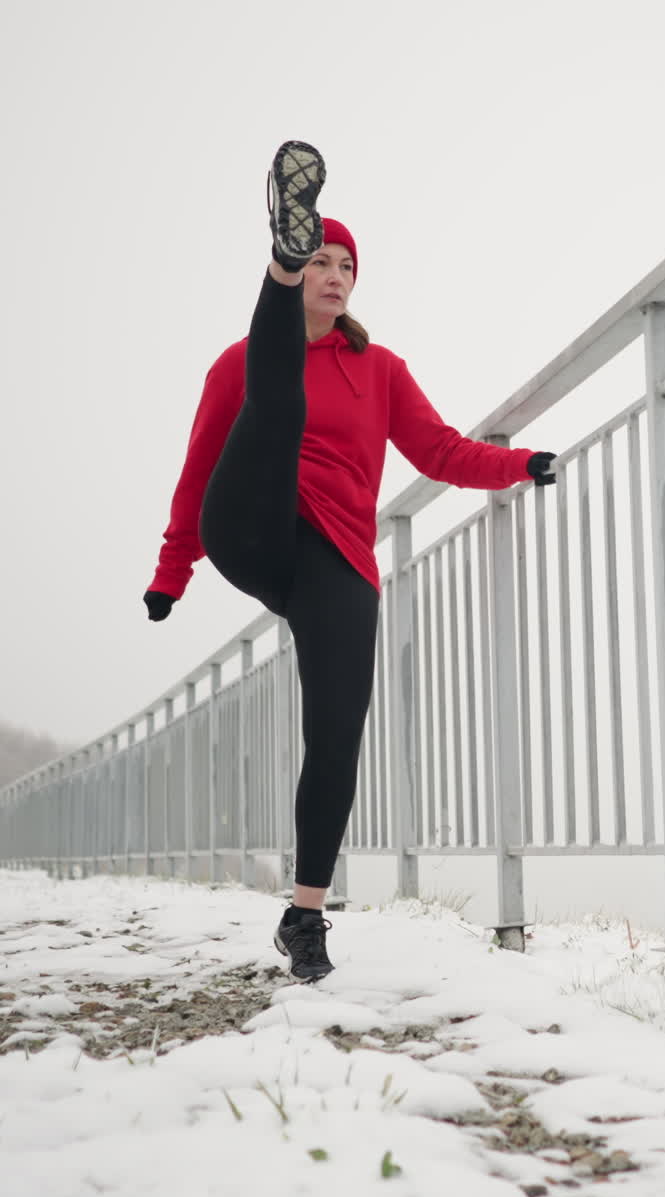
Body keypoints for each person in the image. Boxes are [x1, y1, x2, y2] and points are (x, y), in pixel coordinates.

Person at [144, 140, 556, 983]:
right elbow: (196, 472)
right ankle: (272, 265)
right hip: (251, 521)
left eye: (343, 266)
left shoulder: (382, 369)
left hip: (334, 560)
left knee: (336, 734)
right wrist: (171, 571)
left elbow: (439, 451)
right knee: (277, 393)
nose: (336, 276)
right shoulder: (237, 364)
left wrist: (519, 464)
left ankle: (305, 916)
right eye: (319, 260)